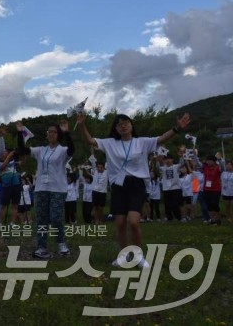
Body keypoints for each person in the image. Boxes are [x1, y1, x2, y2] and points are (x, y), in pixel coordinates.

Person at [77, 111, 191, 268]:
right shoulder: (110, 143)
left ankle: (138, 256)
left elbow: (162, 138)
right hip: (118, 186)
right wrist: (82, 125)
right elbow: (90, 140)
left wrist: (177, 128)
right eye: (119, 124)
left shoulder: (142, 142)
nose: (123, 126)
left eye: (126, 123)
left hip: (137, 185)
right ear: (115, 128)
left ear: (131, 125)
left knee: (134, 222)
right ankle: (124, 256)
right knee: (120, 223)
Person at [15, 120, 74, 259]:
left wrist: (67, 133)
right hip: (41, 188)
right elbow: (23, 150)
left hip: (58, 189)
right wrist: (19, 132)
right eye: (49, 132)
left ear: (58, 135)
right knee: (41, 218)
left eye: (54, 131)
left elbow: (72, 150)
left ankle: (61, 244)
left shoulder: (63, 150)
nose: (51, 133)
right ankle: (42, 248)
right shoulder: (41, 150)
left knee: (55, 217)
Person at [0, 149, 22, 227]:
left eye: (7, 152)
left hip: (16, 185)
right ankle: (0, 223)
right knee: (3, 205)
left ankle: (12, 223)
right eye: (4, 152)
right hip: (6, 186)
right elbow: (3, 166)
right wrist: (9, 156)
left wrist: (23, 154)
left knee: (15, 205)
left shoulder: (13, 162)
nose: (6, 153)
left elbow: (22, 162)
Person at [157, 155, 183, 221]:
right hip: (166, 189)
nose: (168, 160)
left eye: (170, 159)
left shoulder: (176, 167)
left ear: (172, 160)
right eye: (166, 159)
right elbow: (157, 166)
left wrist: (181, 156)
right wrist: (159, 159)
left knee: (175, 204)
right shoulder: (163, 168)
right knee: (167, 205)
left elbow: (182, 163)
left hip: (175, 188)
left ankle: (179, 217)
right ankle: (169, 217)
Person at [202, 153, 224, 226]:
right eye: (207, 161)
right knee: (209, 205)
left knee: (215, 205)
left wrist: (220, 159)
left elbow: (223, 167)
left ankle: (217, 219)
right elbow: (198, 164)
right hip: (206, 189)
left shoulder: (218, 168)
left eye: (210, 161)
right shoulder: (205, 167)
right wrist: (195, 155)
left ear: (214, 161)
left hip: (216, 189)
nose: (208, 162)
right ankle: (212, 219)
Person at [89, 153, 108, 224]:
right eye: (98, 167)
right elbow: (93, 159)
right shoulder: (95, 171)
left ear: (104, 167)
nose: (99, 169)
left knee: (100, 208)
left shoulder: (106, 172)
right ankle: (96, 220)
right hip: (95, 191)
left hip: (102, 192)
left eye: (101, 167)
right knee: (95, 207)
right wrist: (92, 149)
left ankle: (101, 219)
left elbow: (109, 161)